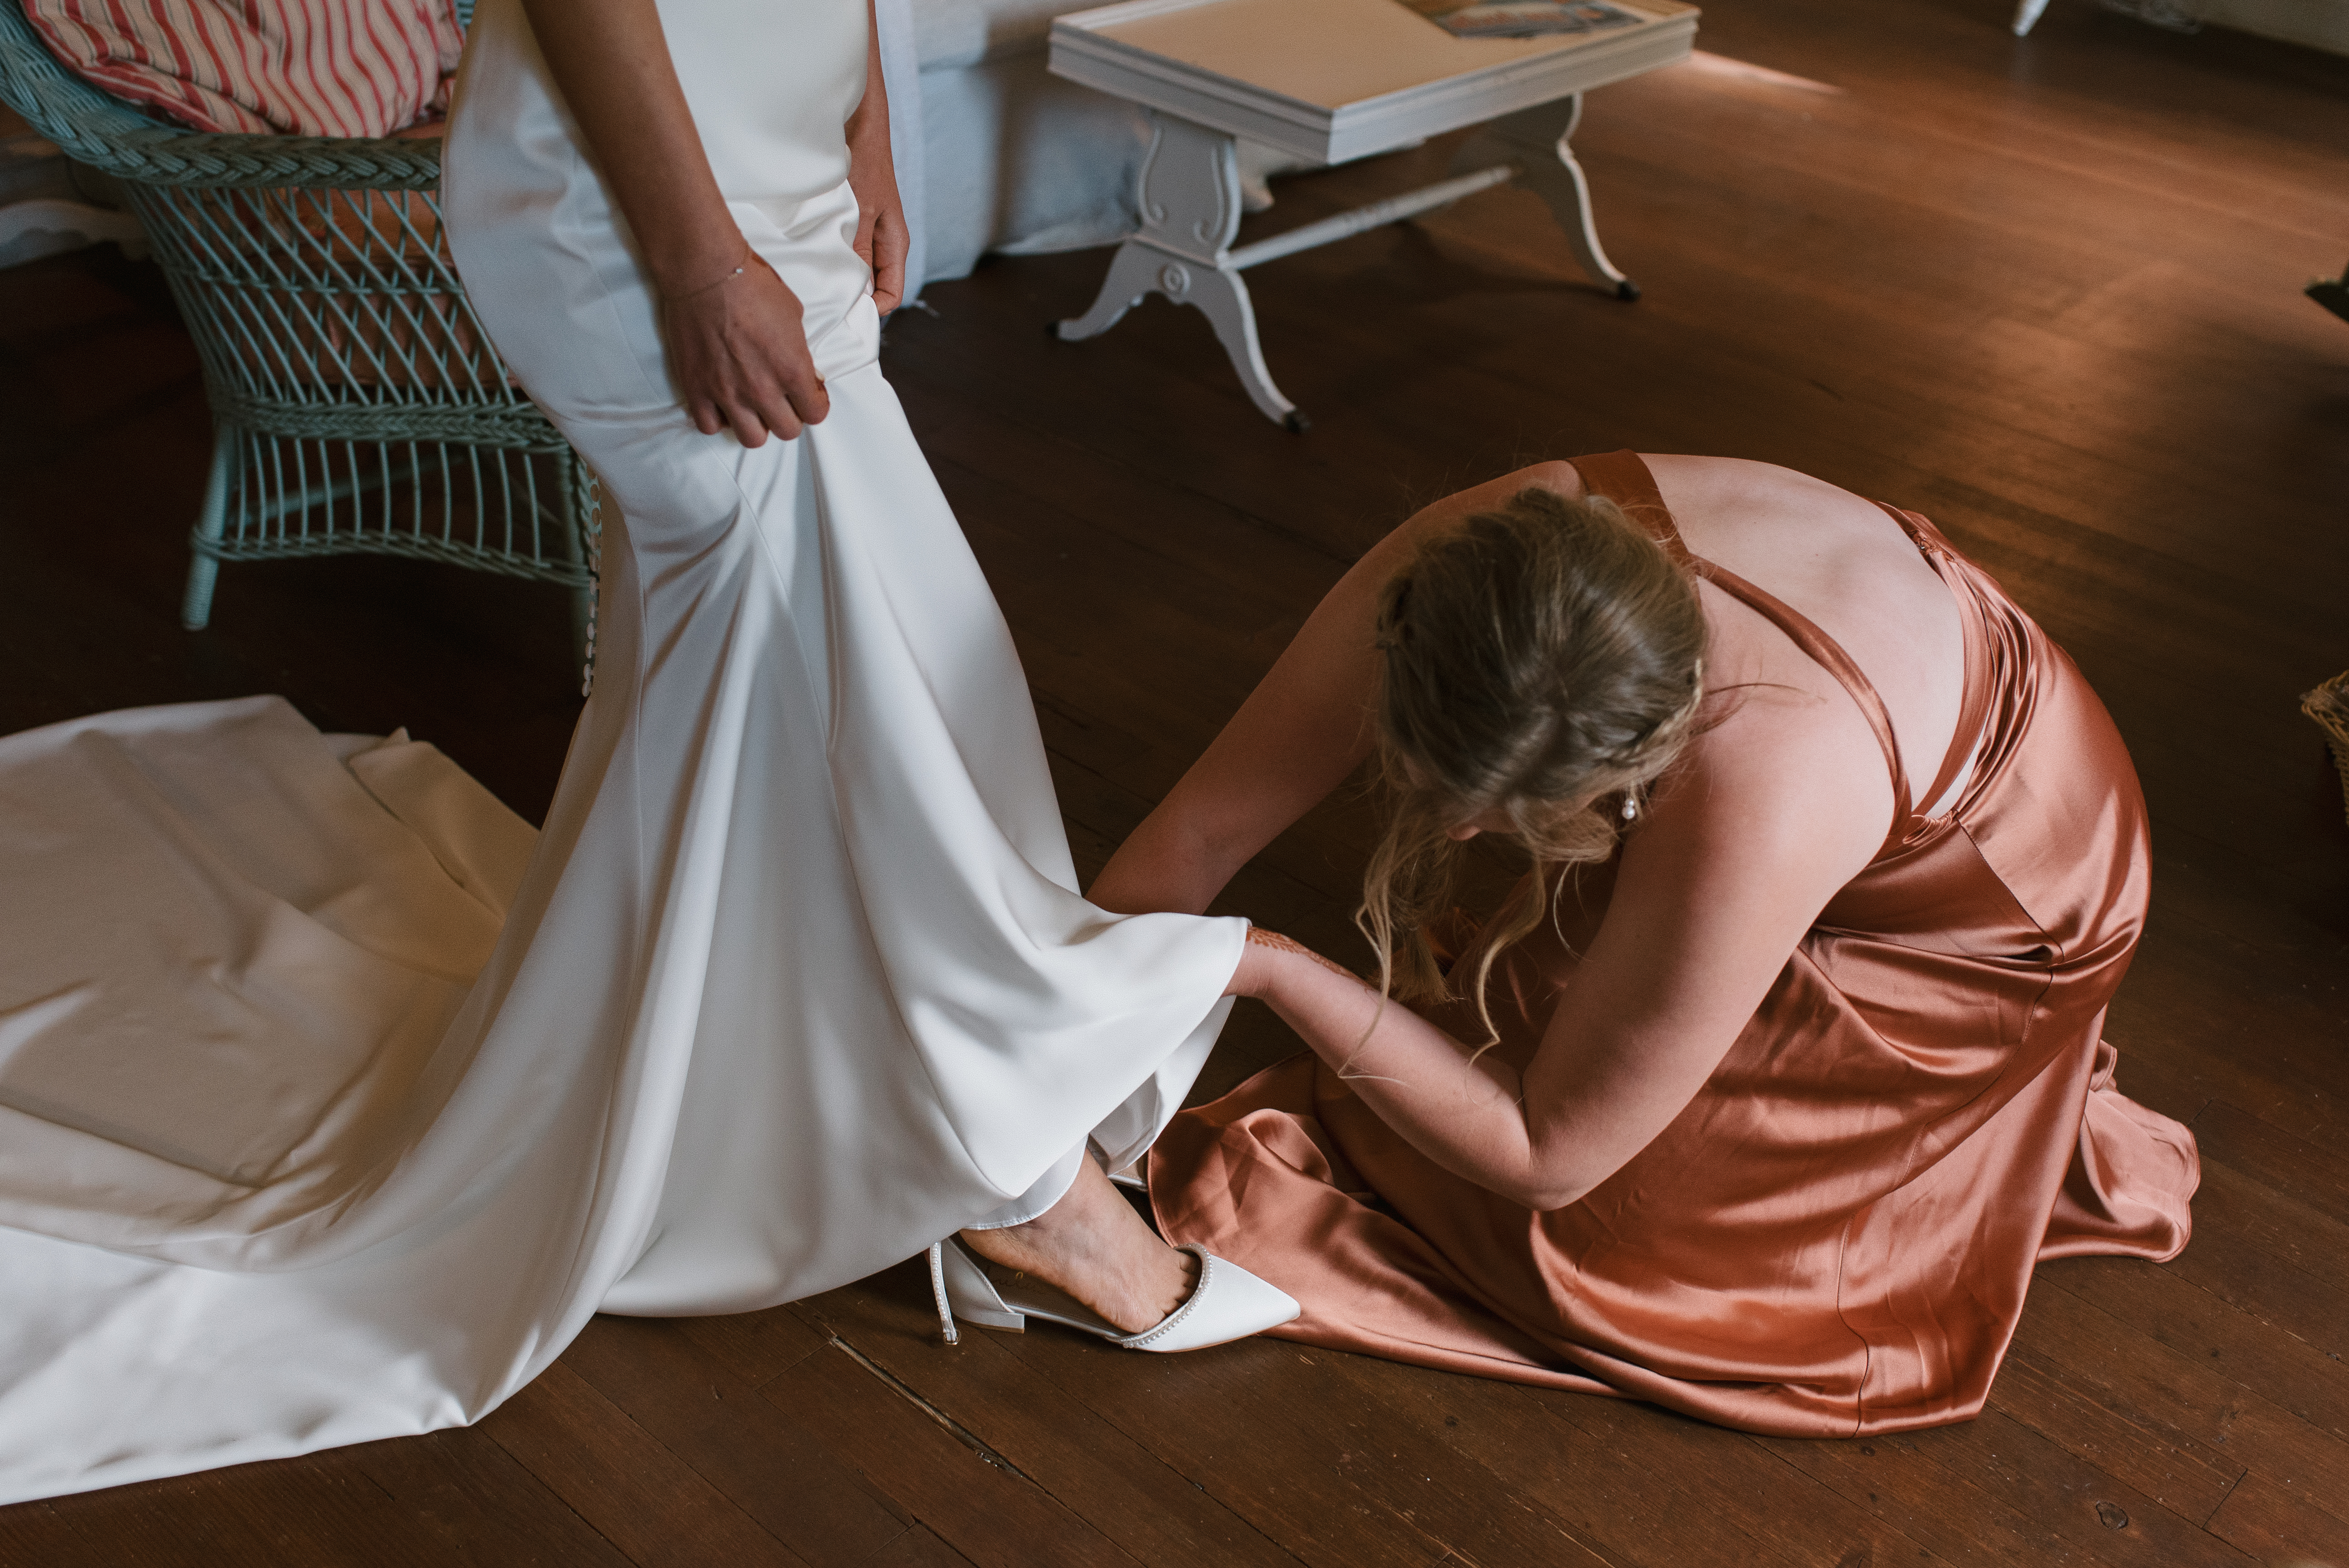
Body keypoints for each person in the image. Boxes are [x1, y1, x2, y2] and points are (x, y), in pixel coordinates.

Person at [0, 0, 1287, 1506]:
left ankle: (906, 1117)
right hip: (641, 188)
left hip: (779, 149)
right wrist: (696, 258)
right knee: (841, 677)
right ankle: (1021, 1187)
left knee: (847, 674)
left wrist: (869, 119)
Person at [1042, 450, 2200, 1436]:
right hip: (1842, 749)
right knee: (1542, 1044)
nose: (1450, 828)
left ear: (1643, 761)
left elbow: (1548, 1151)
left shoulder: (1766, 784)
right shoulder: (1476, 567)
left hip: (1996, 910)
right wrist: (1039, 1080)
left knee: (1603, 1250)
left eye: (1489, 814)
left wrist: (1269, 965)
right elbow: (1200, 826)